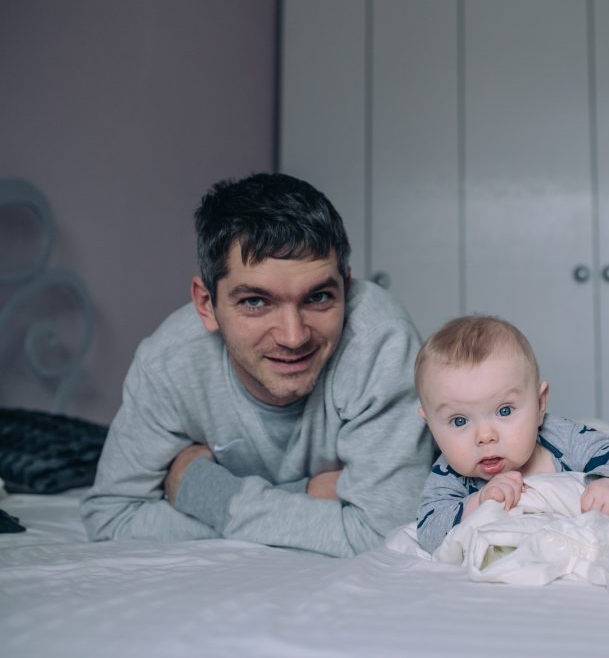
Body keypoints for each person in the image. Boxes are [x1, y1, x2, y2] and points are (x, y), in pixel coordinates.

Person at [81, 173, 434, 556]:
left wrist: (201, 488)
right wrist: (310, 493)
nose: (293, 336)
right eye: (254, 301)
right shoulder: (170, 363)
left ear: (346, 289)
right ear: (206, 305)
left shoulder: (378, 340)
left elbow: (389, 534)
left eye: (318, 297)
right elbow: (111, 517)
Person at [415, 316, 609, 554]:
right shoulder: (449, 475)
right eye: (459, 421)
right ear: (431, 426)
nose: (485, 436)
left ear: (540, 404)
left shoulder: (564, 438)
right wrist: (478, 503)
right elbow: (429, 532)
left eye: (504, 410)